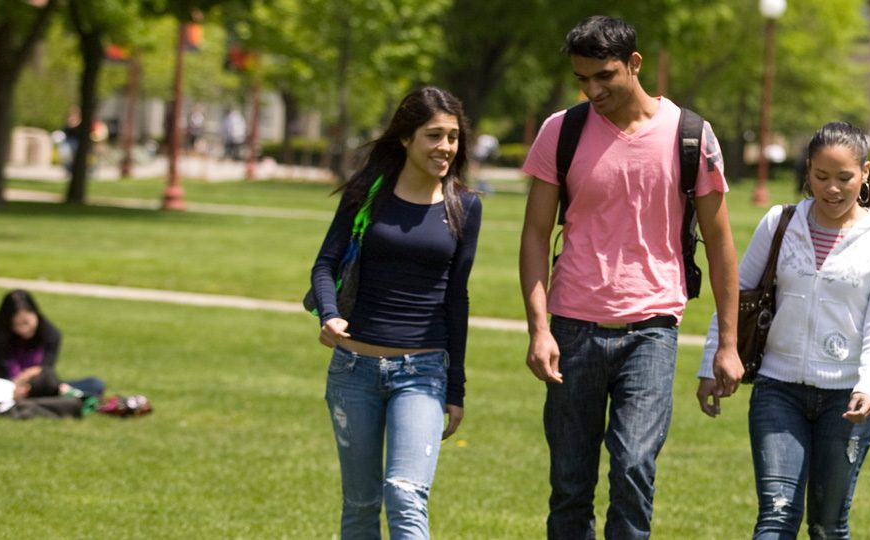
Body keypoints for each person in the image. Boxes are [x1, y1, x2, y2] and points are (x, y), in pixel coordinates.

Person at [517, 15, 741, 539]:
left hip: (652, 328)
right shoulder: (562, 130)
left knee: (634, 467)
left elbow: (723, 243)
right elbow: (533, 233)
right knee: (570, 483)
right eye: (583, 79)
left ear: (635, 64)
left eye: (605, 76)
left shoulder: (691, 135)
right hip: (572, 326)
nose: (592, 90)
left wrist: (727, 344)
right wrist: (538, 328)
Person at [694, 122, 870, 539]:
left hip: (846, 400)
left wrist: (868, 385)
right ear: (808, 171)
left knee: (828, 527)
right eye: (821, 177)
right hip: (778, 390)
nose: (832, 189)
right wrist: (713, 360)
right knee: (776, 516)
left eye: (844, 177)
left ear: (865, 172)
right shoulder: (780, 222)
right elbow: (736, 294)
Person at [308, 86, 481, 539]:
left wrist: (456, 386)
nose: (445, 147)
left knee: (405, 495)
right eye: (433, 135)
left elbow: (457, 298)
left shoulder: (464, 206)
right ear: (406, 138)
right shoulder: (367, 193)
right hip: (353, 370)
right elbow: (325, 264)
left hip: (422, 372)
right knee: (361, 506)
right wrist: (329, 313)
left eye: (453, 137)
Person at [0, 289, 104, 397]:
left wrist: (30, 378)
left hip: (37, 387)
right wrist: (18, 382)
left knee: (95, 384)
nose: (22, 329)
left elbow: (46, 371)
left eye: (26, 323)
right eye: (15, 325)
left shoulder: (51, 334)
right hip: (6, 387)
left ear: (35, 313)